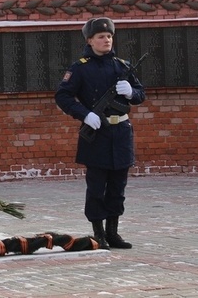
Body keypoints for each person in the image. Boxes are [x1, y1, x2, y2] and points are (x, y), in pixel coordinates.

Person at [55, 17, 145, 249]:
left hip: (121, 133)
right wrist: (84, 114)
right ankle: (98, 233)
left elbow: (140, 94)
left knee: (117, 187)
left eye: (109, 36)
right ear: (90, 40)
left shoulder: (122, 66)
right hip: (97, 133)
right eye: (101, 37)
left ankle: (113, 232)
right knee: (97, 187)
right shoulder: (80, 68)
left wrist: (131, 93)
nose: (106, 40)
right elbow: (63, 96)